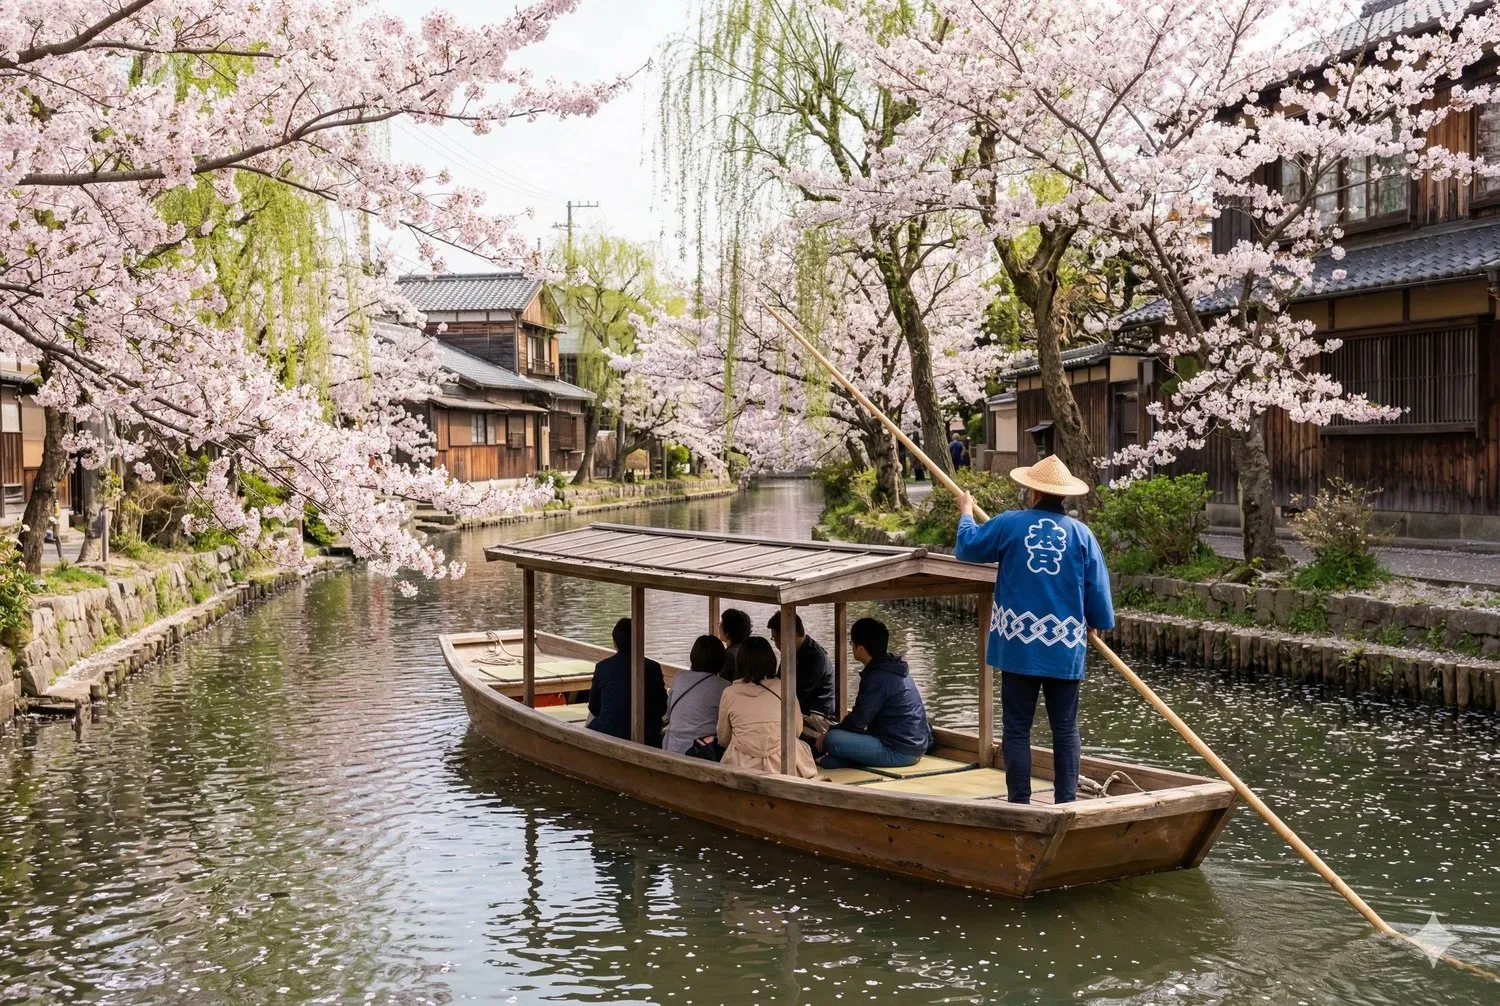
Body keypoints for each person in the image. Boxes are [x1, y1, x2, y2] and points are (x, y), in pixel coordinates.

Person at [953, 454, 1114, 805]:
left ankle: (1020, 801)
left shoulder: (1010, 524)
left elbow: (967, 547)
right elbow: (1097, 590)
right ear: (1064, 496)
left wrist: (966, 511)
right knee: (1065, 729)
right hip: (1064, 645)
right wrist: (1097, 623)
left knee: (1016, 728)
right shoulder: (1082, 535)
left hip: (1018, 645)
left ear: (1033, 492)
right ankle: (1066, 802)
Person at [817, 618, 932, 769]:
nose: (851, 647)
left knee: (833, 739)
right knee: (843, 740)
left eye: (852, 643)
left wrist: (829, 732)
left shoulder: (877, 676)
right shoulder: (894, 667)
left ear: (860, 649)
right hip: (914, 744)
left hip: (899, 750)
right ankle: (840, 760)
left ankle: (838, 759)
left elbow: (858, 720)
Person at [716, 636, 818, 777]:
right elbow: (796, 730)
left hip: (741, 765)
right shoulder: (784, 687)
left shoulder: (729, 693)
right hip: (783, 764)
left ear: (740, 662)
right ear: (771, 661)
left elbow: (723, 738)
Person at [586, 617, 667, 748]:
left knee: (592, 719)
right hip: (648, 736)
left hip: (609, 732)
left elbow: (594, 707)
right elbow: (662, 707)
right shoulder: (653, 667)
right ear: (640, 641)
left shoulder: (603, 667)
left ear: (615, 643)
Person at [765, 611, 837, 735]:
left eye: (778, 638)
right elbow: (780, 682)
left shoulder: (816, 658)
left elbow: (797, 694)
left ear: (794, 634)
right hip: (800, 711)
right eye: (774, 639)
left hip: (817, 717)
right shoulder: (791, 651)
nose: (776, 644)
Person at [663, 635, 731, 756]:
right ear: (721, 659)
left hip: (673, 747)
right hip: (703, 752)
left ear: (693, 656)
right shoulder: (724, 687)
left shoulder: (679, 677)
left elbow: (668, 714)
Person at [718, 607, 753, 679]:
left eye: (721, 624)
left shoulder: (729, 655)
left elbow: (723, 682)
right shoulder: (750, 650)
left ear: (727, 632)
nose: (719, 626)